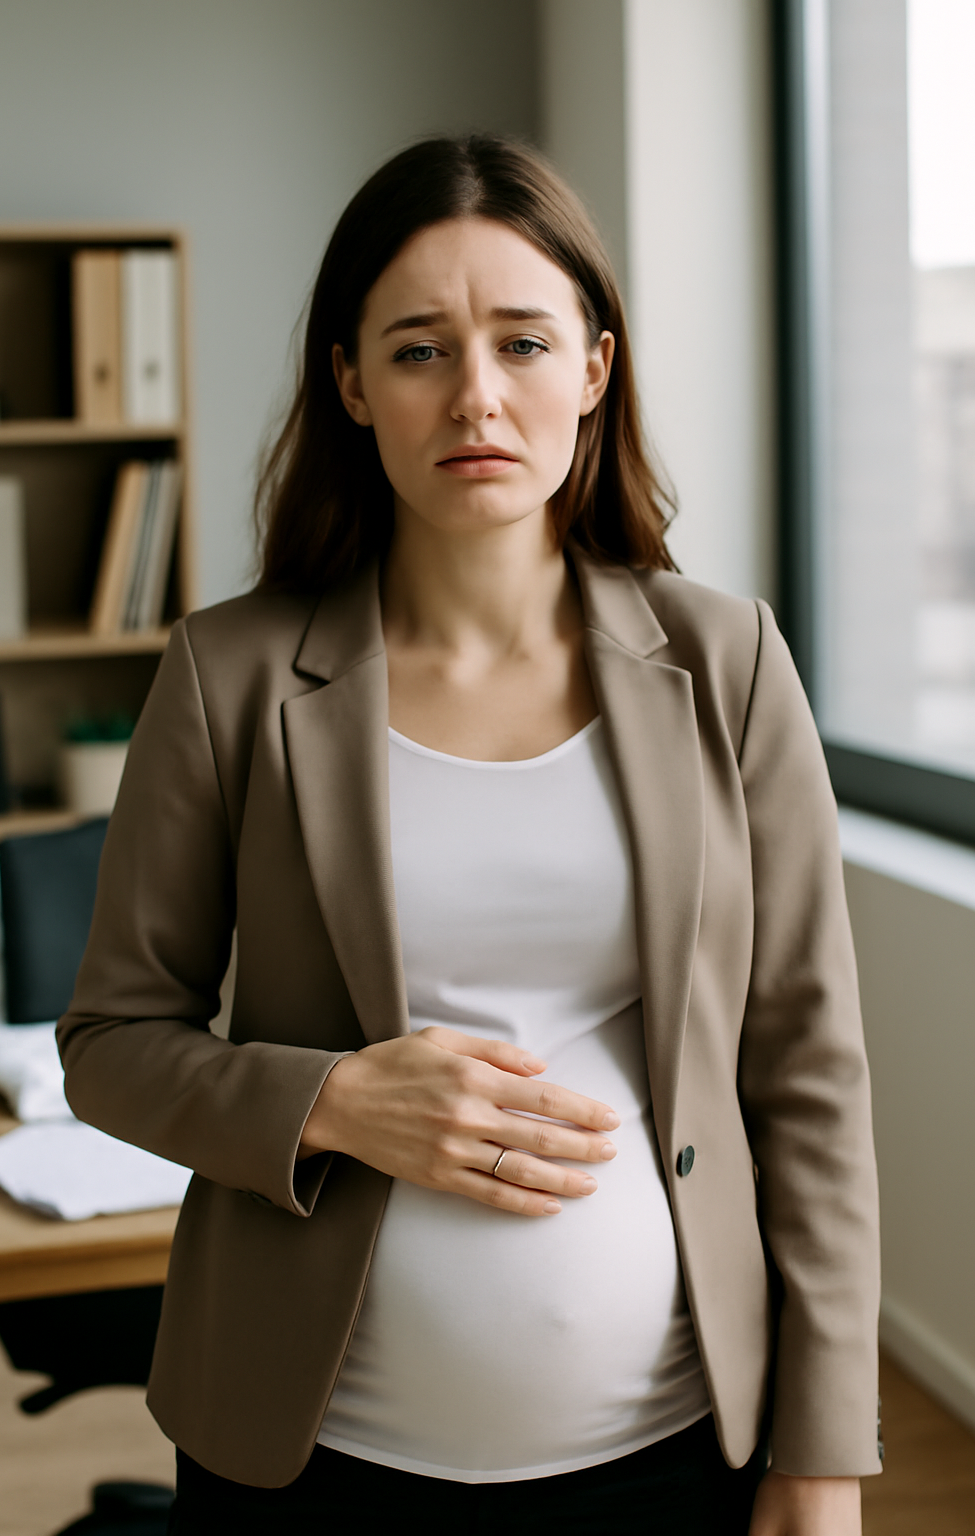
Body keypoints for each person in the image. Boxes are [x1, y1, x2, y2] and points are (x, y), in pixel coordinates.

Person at [57, 135, 881, 1535]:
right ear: (351, 384)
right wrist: (331, 1101)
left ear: (596, 370)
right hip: (309, 1464)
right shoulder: (228, 675)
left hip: (674, 1449)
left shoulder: (727, 661)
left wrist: (823, 1452)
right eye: (421, 350)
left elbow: (808, 1072)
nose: (476, 396)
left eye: (523, 342)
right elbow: (112, 1043)